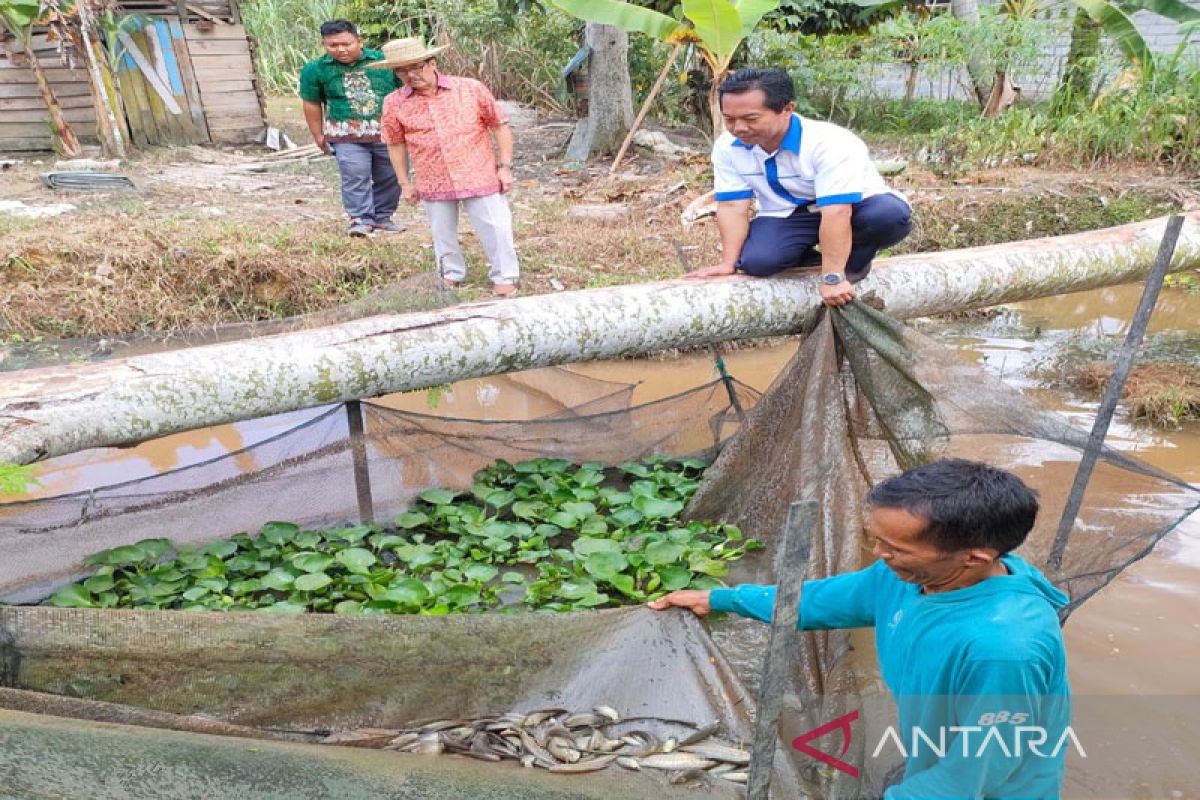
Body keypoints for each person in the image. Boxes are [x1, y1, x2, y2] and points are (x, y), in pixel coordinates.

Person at [650, 459, 1071, 799]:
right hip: (941, 754)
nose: (877, 552)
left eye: (895, 547)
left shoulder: (1003, 648)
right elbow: (815, 600)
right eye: (877, 538)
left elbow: (972, 776)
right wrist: (721, 598)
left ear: (974, 557)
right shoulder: (905, 576)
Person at [687, 68, 912, 308]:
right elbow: (732, 206)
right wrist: (728, 264)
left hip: (853, 208)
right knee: (757, 261)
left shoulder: (830, 142)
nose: (739, 128)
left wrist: (833, 278)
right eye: (729, 119)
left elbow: (837, 211)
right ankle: (813, 259)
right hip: (791, 214)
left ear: (787, 109)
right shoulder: (728, 147)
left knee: (887, 217)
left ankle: (854, 262)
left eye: (751, 119)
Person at [372, 38, 520, 297]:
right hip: (432, 175)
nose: (411, 75)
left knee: (495, 226)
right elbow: (395, 143)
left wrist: (505, 166)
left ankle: (504, 276)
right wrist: (405, 183)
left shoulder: (470, 89)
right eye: (403, 71)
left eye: (417, 67)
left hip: (477, 170)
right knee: (442, 231)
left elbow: (499, 124)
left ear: (432, 63)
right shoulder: (393, 102)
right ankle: (451, 273)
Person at [299, 20, 402, 238]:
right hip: (345, 135)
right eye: (332, 45)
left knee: (390, 175)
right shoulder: (315, 69)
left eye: (346, 44)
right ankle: (361, 219)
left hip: (388, 133)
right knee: (355, 175)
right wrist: (318, 134)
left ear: (359, 41)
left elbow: (405, 93)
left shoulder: (384, 62)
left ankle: (383, 217)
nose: (340, 50)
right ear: (324, 44)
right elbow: (311, 103)